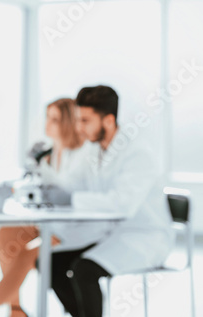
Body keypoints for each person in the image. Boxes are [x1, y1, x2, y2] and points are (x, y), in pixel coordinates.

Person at [38, 85, 175, 317]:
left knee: (85, 271)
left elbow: (122, 204)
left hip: (144, 237)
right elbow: (75, 184)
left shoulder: (139, 153)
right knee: (50, 263)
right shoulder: (95, 149)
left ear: (108, 121)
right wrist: (45, 175)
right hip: (110, 232)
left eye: (85, 121)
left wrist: (72, 199)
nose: (79, 127)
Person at [0, 98, 92, 317]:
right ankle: (16, 309)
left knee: (25, 256)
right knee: (5, 235)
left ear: (68, 122)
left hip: (72, 227)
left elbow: (69, 193)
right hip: (49, 221)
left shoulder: (83, 155)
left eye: (55, 119)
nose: (47, 124)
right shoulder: (52, 153)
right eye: (47, 117)